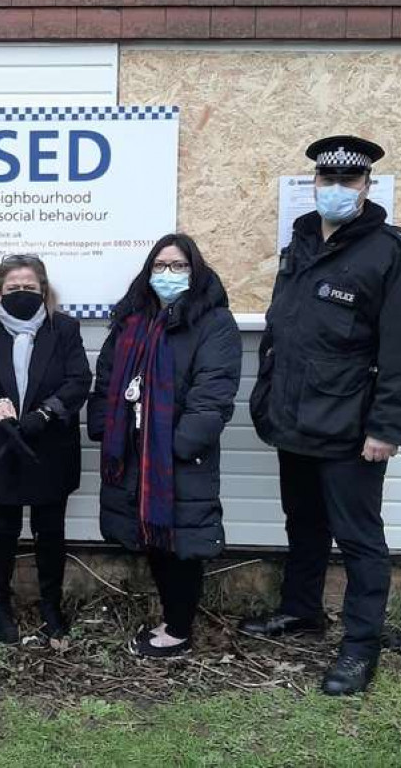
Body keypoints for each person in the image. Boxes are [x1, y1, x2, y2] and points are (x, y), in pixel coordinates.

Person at [242, 136, 401, 695]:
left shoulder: (392, 254)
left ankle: (359, 648)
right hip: (295, 419)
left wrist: (388, 428)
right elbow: (287, 332)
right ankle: (302, 610)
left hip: (352, 429)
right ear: (314, 185)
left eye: (348, 182)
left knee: (359, 538)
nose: (335, 190)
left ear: (367, 187)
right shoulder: (300, 243)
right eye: (326, 181)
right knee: (303, 523)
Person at [87, 235, 241, 658]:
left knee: (181, 543)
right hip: (134, 453)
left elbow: (213, 394)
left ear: (196, 271)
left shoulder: (214, 323)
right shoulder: (132, 321)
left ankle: (178, 629)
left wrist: (177, 446)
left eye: (178, 266)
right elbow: (106, 378)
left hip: (177, 457)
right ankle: (173, 620)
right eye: (160, 265)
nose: (168, 274)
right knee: (154, 540)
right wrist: (105, 428)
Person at [0, 255, 92, 643]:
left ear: (44, 290)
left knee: (50, 531)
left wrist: (47, 412)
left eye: (29, 288)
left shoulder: (64, 328)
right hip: (2, 445)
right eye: (13, 288)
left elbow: (79, 380)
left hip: (50, 445)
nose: (21, 294)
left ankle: (51, 604)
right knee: (1, 531)